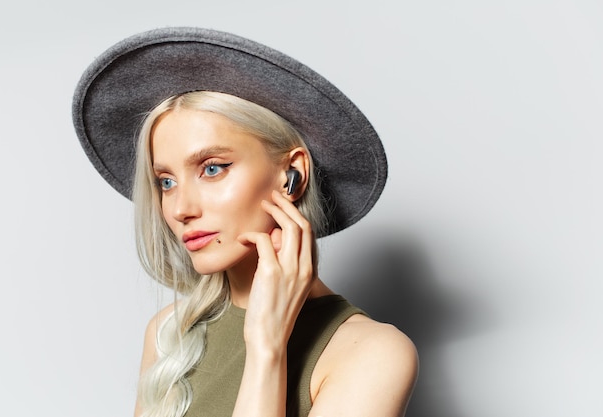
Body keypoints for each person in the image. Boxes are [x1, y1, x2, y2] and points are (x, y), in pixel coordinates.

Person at [72, 28, 417, 417]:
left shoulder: (371, 352)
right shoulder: (170, 333)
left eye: (213, 168)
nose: (180, 208)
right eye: (165, 182)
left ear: (292, 176)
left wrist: (267, 347)